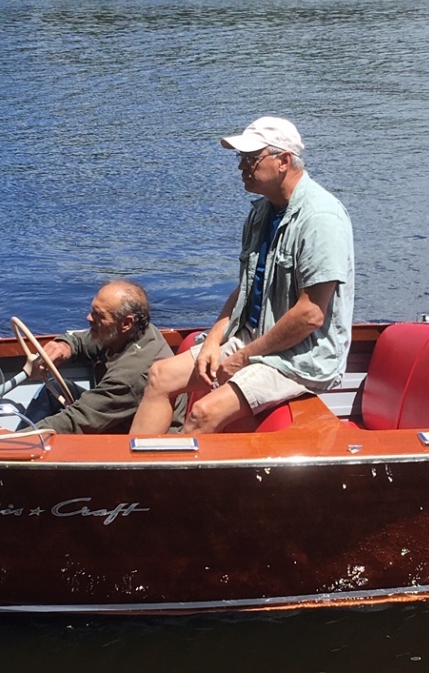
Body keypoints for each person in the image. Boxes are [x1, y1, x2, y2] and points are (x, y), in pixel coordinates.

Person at [130, 116, 354, 435]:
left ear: (283, 161)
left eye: (251, 159)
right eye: (241, 158)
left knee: (202, 413)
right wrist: (214, 339)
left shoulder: (321, 218)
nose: (241, 167)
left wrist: (245, 356)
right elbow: (245, 290)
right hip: (255, 337)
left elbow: (310, 315)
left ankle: (166, 484)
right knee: (159, 376)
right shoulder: (261, 212)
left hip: (302, 356)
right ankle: (134, 473)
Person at [26, 280, 169, 434]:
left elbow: (76, 420)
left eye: (98, 315)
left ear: (126, 323)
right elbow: (82, 340)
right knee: (52, 391)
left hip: (126, 440)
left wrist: (14, 440)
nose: (89, 317)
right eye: (92, 311)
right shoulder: (123, 334)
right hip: (112, 414)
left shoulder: (131, 375)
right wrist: (63, 346)